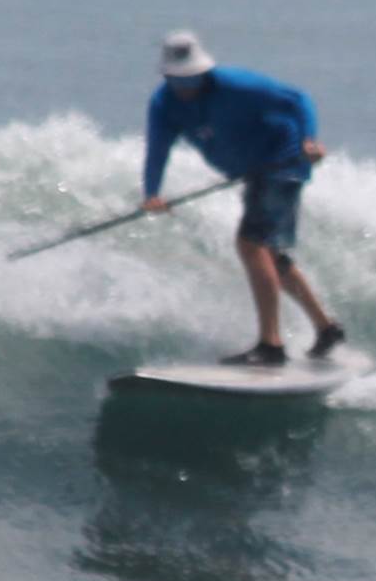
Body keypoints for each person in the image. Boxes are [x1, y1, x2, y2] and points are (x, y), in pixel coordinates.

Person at [141, 31, 348, 366]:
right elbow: (157, 150)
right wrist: (152, 194)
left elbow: (298, 99)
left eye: (192, 77)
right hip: (255, 173)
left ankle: (271, 346)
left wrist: (309, 141)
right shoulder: (163, 105)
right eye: (178, 79)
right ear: (165, 75)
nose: (186, 85)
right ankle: (327, 329)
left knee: (251, 245)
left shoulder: (236, 84)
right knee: (270, 254)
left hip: (283, 163)